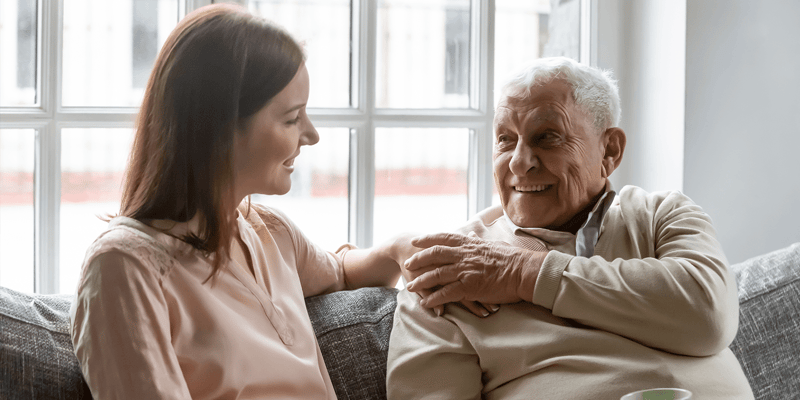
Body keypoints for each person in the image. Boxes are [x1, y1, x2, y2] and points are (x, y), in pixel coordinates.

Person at [70, 4, 407, 399]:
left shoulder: (270, 233)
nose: (311, 135)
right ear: (222, 128)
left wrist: (403, 247)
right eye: (292, 118)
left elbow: (341, 275)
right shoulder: (124, 267)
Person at [386, 57, 754, 399]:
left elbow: (708, 316)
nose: (518, 163)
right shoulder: (452, 271)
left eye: (547, 137)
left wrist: (523, 274)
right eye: (505, 139)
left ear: (609, 150)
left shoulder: (662, 214)